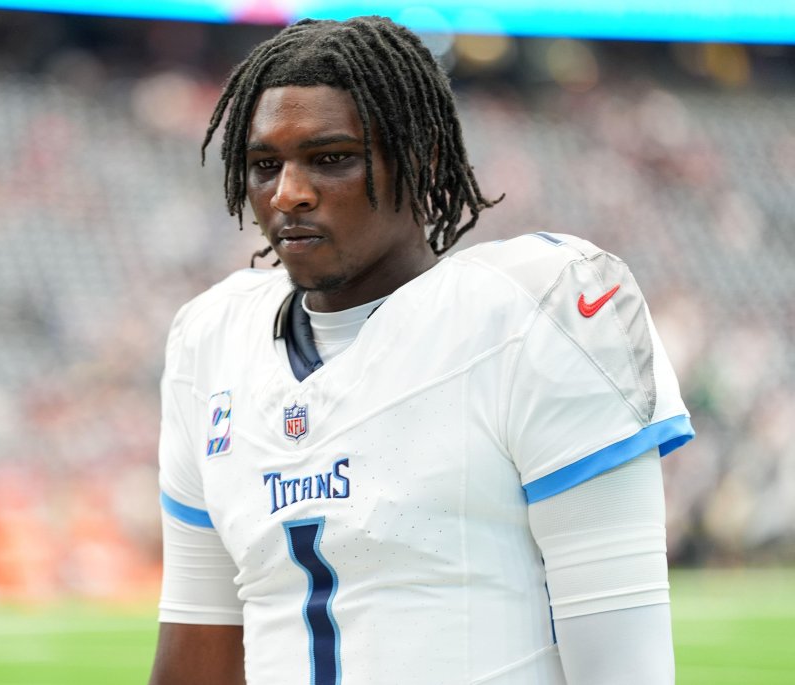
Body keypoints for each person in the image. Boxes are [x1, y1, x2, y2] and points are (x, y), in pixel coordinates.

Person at [149, 15, 694, 685]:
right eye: (266, 165)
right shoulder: (211, 340)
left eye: (331, 157)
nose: (289, 191)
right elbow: (197, 646)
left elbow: (625, 665)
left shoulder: (535, 310)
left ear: (424, 159)